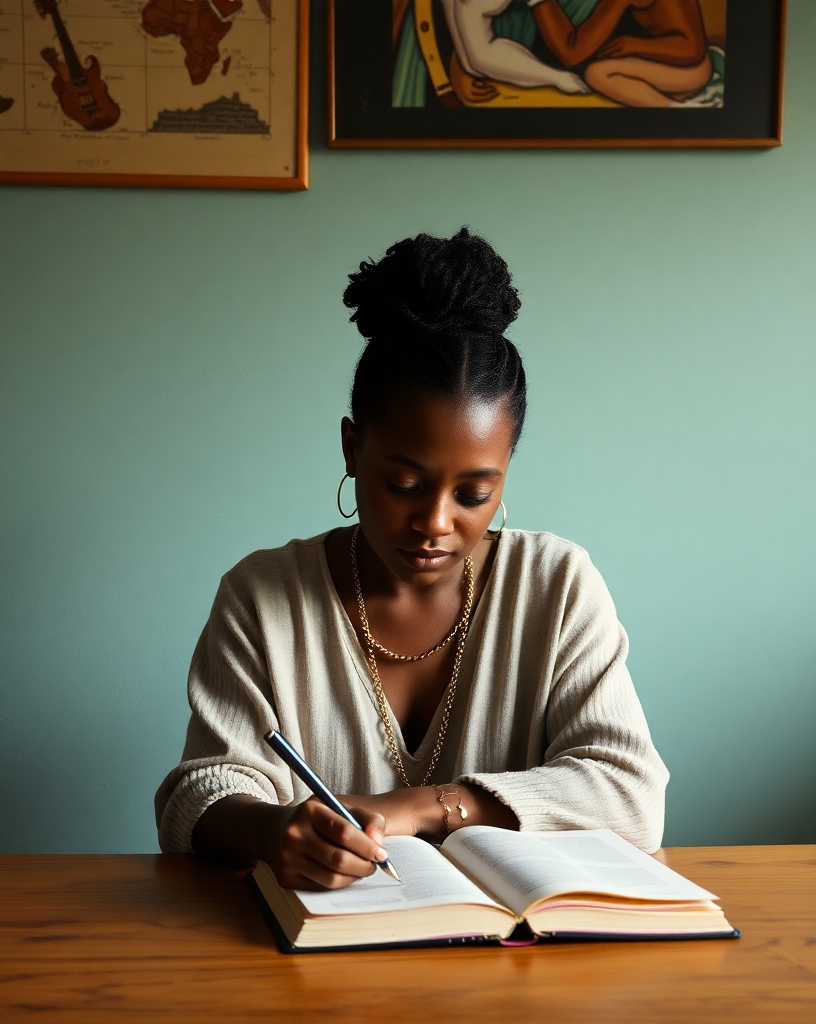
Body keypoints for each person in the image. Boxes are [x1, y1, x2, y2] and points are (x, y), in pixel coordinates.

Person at [155, 228, 669, 892]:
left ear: (506, 475)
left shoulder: (558, 586)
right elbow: (201, 791)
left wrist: (426, 808)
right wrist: (272, 829)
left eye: (474, 493)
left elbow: (629, 795)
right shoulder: (263, 595)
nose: (433, 522)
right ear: (351, 450)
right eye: (403, 484)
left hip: (518, 971)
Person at [531, 0, 713, 107]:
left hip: (691, 68)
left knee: (598, 73)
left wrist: (636, 45)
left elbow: (692, 48)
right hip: (662, 63)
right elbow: (572, 51)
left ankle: (675, 108)